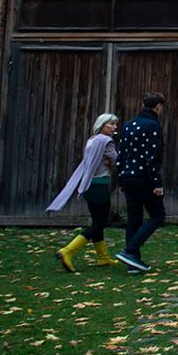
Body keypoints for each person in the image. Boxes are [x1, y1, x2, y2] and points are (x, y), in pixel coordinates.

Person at [47, 112, 121, 272]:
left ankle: (103, 257)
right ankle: (68, 250)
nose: (114, 127)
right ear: (101, 125)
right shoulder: (107, 141)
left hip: (87, 184)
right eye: (111, 124)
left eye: (115, 124)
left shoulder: (92, 140)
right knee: (100, 222)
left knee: (97, 221)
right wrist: (113, 163)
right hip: (100, 185)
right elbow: (118, 161)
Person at [115, 92, 167, 272]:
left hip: (127, 176)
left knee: (134, 217)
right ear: (158, 107)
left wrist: (120, 177)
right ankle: (130, 251)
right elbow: (152, 157)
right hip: (142, 177)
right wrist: (157, 183)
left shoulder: (129, 125)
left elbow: (120, 154)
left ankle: (133, 263)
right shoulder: (153, 126)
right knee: (158, 214)